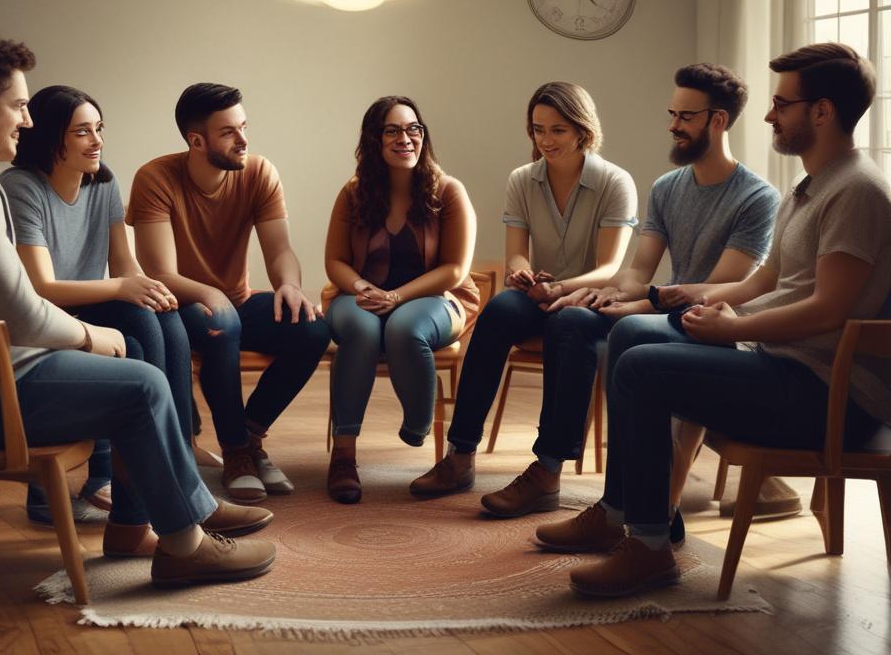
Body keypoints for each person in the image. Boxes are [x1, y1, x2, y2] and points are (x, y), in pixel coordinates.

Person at [0, 38, 275, 586]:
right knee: (141, 385)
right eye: (18, 105)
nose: (26, 118)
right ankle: (185, 543)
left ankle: (142, 525)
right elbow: (23, 309)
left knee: (138, 362)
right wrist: (91, 337)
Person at [536, 42, 891, 597]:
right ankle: (619, 512)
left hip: (829, 396)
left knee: (642, 370)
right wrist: (699, 300)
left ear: (822, 111)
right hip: (785, 365)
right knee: (630, 332)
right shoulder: (809, 189)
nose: (770, 115)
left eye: (782, 103)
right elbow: (759, 284)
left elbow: (830, 308)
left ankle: (649, 547)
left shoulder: (858, 192)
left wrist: (734, 328)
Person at [411, 67, 782, 537]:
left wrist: (607, 298)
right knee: (511, 310)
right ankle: (471, 456)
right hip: (653, 307)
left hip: (708, 323)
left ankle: (582, 487)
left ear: (718, 121)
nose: (671, 124)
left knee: (585, 324)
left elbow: (715, 291)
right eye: (672, 113)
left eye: (684, 116)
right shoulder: (668, 188)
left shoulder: (757, 198)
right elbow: (634, 272)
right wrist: (598, 294)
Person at [409, 82, 637, 510]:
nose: (546, 141)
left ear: (583, 131)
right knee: (497, 311)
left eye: (558, 130)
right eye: (538, 130)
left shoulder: (614, 182)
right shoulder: (522, 180)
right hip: (540, 293)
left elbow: (609, 269)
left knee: (570, 324)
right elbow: (516, 251)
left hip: (590, 302)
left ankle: (547, 472)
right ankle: (461, 454)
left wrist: (561, 289)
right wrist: (520, 273)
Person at [0, 85, 203, 527]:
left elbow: (124, 264)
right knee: (136, 325)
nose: (97, 141)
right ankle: (120, 479)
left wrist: (146, 288)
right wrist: (120, 289)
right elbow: (40, 288)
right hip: (47, 315)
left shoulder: (103, 180)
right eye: (82, 133)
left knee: (162, 318)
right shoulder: (20, 188)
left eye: (99, 129)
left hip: (93, 303)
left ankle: (174, 464)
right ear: (52, 138)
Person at [127, 83, 331, 504]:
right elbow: (160, 272)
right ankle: (236, 452)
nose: (243, 140)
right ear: (196, 140)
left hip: (235, 300)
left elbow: (281, 251)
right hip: (180, 305)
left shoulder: (258, 172)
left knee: (312, 329)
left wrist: (289, 286)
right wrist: (208, 293)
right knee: (221, 322)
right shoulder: (155, 178)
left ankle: (251, 437)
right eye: (228, 132)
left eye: (244, 127)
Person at [323, 96, 479, 504]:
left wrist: (395, 297)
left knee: (404, 326)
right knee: (359, 329)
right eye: (392, 130)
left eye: (413, 129)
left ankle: (416, 423)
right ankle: (343, 457)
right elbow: (335, 261)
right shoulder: (353, 193)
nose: (405, 138)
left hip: (436, 299)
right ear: (374, 140)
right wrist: (362, 289)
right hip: (361, 295)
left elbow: (454, 270)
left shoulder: (448, 191)